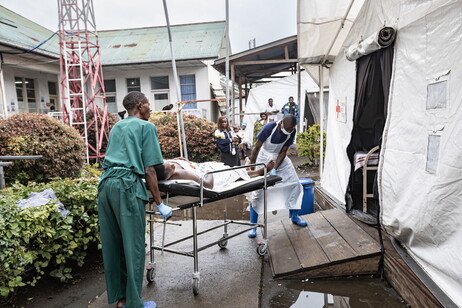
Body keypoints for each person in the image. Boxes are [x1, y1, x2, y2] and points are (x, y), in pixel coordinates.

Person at [97, 91, 172, 308]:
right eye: (148, 104)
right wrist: (160, 203)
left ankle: (121, 299)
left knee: (114, 245)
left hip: (106, 186)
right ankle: (134, 304)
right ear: (139, 106)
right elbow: (149, 170)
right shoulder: (146, 127)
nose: (151, 108)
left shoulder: (117, 126)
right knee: (134, 246)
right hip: (127, 187)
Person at [248, 114, 306, 238]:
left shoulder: (292, 131)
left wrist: (275, 169)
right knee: (258, 191)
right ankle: (253, 226)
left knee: (294, 184)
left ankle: (295, 216)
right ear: (282, 124)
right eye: (288, 128)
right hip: (264, 157)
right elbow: (256, 148)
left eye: (291, 129)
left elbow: (283, 151)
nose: (289, 131)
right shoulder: (269, 128)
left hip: (280, 158)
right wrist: (253, 168)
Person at [154, 158, 275, 190]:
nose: (172, 164)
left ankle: (247, 170)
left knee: (230, 168)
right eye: (170, 167)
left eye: (169, 163)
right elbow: (207, 185)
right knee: (231, 172)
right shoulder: (180, 174)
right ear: (169, 175)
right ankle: (259, 172)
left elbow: (168, 164)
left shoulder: (165, 165)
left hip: (199, 167)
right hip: (208, 174)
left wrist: (178, 160)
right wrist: (209, 171)